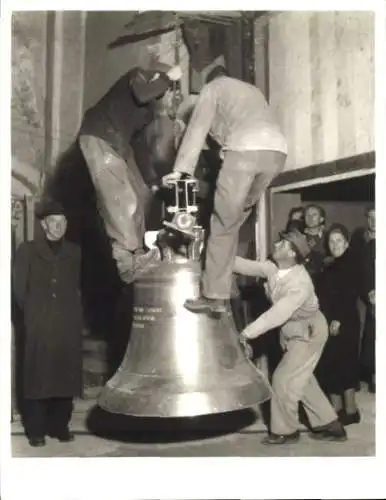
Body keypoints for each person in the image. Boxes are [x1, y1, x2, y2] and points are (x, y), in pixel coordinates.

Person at [162, 65, 287, 314]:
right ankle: (224, 284)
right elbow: (227, 130)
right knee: (236, 219)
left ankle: (214, 296)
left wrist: (181, 170)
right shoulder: (252, 91)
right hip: (277, 154)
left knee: (222, 224)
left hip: (244, 152)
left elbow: (198, 126)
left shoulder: (212, 88)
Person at [233, 229, 347, 445]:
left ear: (293, 253)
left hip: (309, 332)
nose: (276, 245)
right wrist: (216, 255)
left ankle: (285, 431)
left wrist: (247, 333)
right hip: (291, 331)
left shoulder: (300, 284)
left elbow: (278, 313)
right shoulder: (273, 268)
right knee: (302, 380)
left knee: (283, 379)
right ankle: (329, 424)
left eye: (282, 244)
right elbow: (244, 265)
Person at [78, 63, 182, 285]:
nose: (168, 101)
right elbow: (143, 92)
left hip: (115, 145)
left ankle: (136, 254)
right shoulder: (138, 77)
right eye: (170, 95)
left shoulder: (145, 113)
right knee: (121, 199)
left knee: (138, 195)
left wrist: (153, 181)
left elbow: (139, 147)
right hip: (99, 137)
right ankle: (126, 264)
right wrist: (168, 77)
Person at [12, 201, 83, 447]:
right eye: (53, 221)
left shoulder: (75, 251)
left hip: (67, 324)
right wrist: (32, 315)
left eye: (62, 221)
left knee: (65, 376)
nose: (58, 226)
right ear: (43, 224)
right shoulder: (27, 250)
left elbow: (79, 287)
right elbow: (19, 290)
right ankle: (36, 430)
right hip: (38, 323)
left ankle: (60, 426)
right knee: (37, 378)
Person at [315, 224, 362, 425]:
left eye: (339, 240)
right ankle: (337, 409)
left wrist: (338, 319)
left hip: (345, 320)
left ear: (347, 242)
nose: (334, 244)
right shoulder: (330, 264)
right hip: (329, 320)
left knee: (345, 364)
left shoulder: (351, 262)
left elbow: (349, 293)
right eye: (331, 241)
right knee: (330, 364)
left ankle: (351, 410)